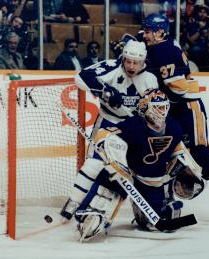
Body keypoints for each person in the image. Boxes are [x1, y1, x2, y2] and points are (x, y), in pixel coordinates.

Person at [142, 13, 209, 228]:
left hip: (187, 110)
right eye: (144, 30)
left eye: (147, 31)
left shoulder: (164, 50)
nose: (144, 34)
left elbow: (179, 88)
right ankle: (162, 205)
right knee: (164, 156)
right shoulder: (160, 44)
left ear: (159, 32)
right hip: (171, 111)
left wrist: (153, 93)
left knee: (204, 158)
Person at [72, 89, 205, 241]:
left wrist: (189, 169)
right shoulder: (134, 124)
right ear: (145, 108)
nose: (162, 111)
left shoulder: (174, 127)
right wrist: (114, 159)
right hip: (127, 173)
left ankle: (146, 208)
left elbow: (178, 152)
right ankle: (90, 215)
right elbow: (104, 133)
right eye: (158, 107)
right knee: (107, 186)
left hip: (152, 180)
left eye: (164, 107)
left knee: (154, 223)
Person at [60, 40, 159, 224]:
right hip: (108, 121)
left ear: (143, 61)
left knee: (127, 169)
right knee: (94, 163)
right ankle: (73, 202)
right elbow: (80, 78)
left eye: (136, 63)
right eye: (128, 61)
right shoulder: (111, 66)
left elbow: (153, 110)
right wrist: (105, 90)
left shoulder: (150, 79)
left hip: (133, 127)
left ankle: (134, 208)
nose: (131, 66)